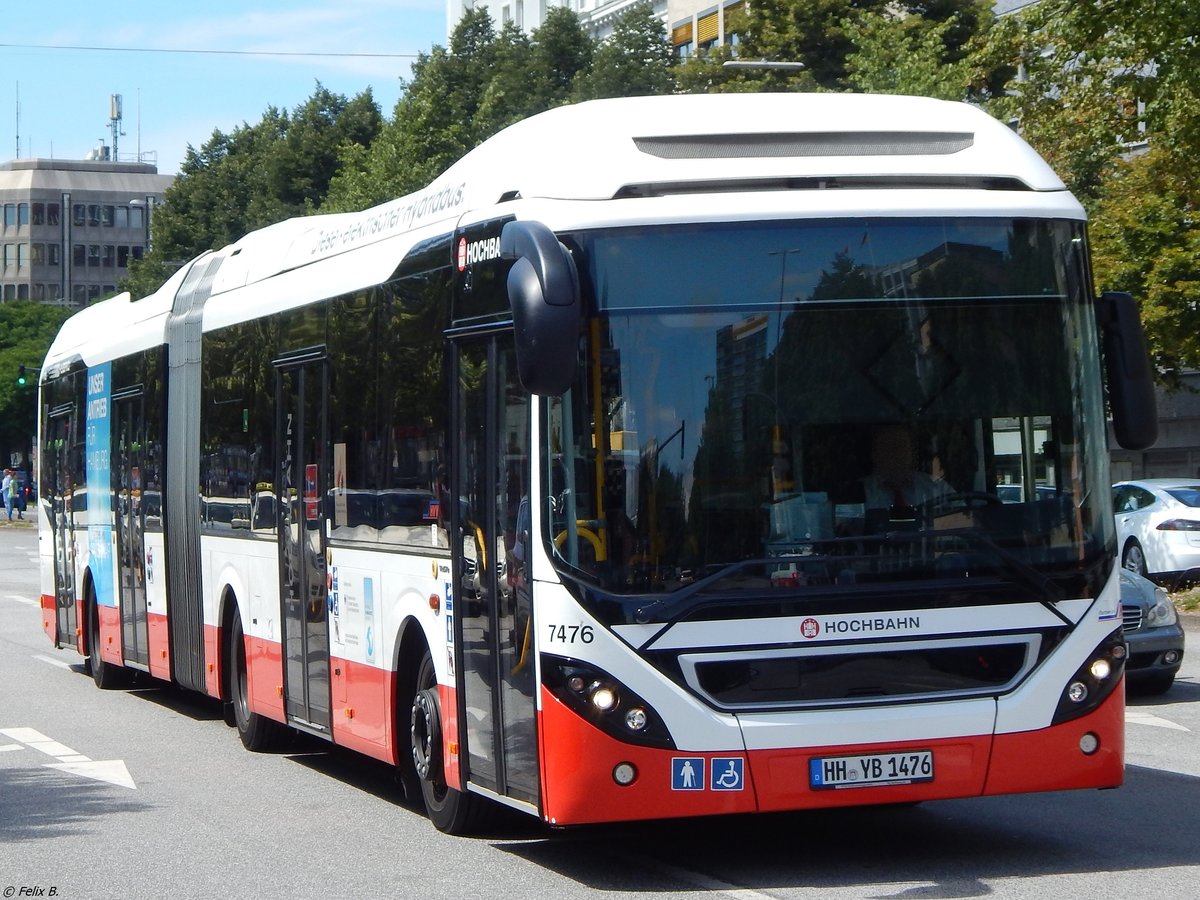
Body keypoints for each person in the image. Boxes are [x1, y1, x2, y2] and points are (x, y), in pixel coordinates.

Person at [861, 424, 952, 513]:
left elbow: (958, 515)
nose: (894, 453)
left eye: (900, 446)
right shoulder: (860, 492)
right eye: (887, 447)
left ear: (912, 453)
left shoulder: (937, 487)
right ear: (875, 454)